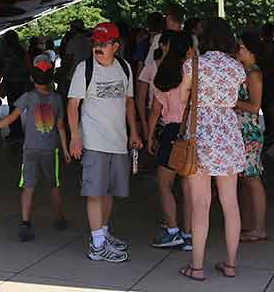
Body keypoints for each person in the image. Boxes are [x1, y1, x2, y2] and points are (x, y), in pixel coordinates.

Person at [67, 22, 142, 263]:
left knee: (109, 192)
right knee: (94, 193)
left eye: (104, 44)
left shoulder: (124, 67)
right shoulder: (84, 69)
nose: (98, 48)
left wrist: (134, 133)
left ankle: (103, 233)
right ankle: (97, 244)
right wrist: (75, 137)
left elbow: (130, 103)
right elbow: (72, 105)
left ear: (116, 46)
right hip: (94, 141)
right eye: (96, 43)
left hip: (118, 141)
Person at [0, 54, 70, 241]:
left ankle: (25, 223)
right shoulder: (57, 99)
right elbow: (61, 127)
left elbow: (11, 118)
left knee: (28, 187)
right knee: (54, 185)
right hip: (50, 150)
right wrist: (66, 149)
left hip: (30, 149)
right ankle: (59, 218)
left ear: (31, 78)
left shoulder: (28, 97)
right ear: (52, 77)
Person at [183, 19, 245, 280]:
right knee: (230, 203)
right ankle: (230, 265)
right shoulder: (236, 67)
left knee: (200, 204)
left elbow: (184, 96)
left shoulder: (194, 65)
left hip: (200, 135)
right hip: (229, 133)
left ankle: (197, 267)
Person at [142, 31, 193, 251]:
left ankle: (172, 230)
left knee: (165, 184)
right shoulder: (193, 72)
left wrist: (149, 135)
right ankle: (189, 235)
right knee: (190, 188)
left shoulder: (163, 73)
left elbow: (155, 111)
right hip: (192, 131)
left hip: (171, 132)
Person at [235, 31, 267, 243]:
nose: (237, 50)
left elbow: (255, 107)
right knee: (246, 180)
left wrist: (231, 102)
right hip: (242, 130)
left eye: (241, 47)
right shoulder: (244, 71)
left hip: (249, 131)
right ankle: (248, 224)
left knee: (252, 179)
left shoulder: (253, 74)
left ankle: (259, 228)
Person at [0, 32, 29, 142]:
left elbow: (7, 67)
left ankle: (14, 132)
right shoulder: (22, 50)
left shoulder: (10, 52)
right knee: (18, 107)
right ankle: (17, 131)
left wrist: (3, 79)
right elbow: (27, 66)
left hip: (12, 82)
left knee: (12, 107)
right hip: (21, 82)